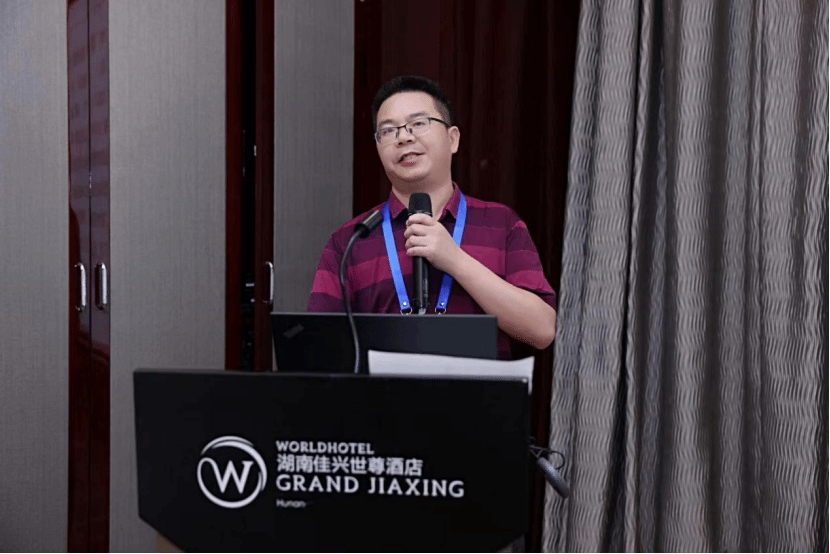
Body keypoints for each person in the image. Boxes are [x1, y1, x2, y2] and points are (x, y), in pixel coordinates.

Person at [308, 75, 556, 359]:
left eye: (418, 123)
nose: (404, 137)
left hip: (477, 389)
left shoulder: (502, 224)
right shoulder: (350, 241)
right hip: (384, 389)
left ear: (453, 139)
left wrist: (454, 259)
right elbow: (318, 349)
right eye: (388, 131)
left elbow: (542, 330)